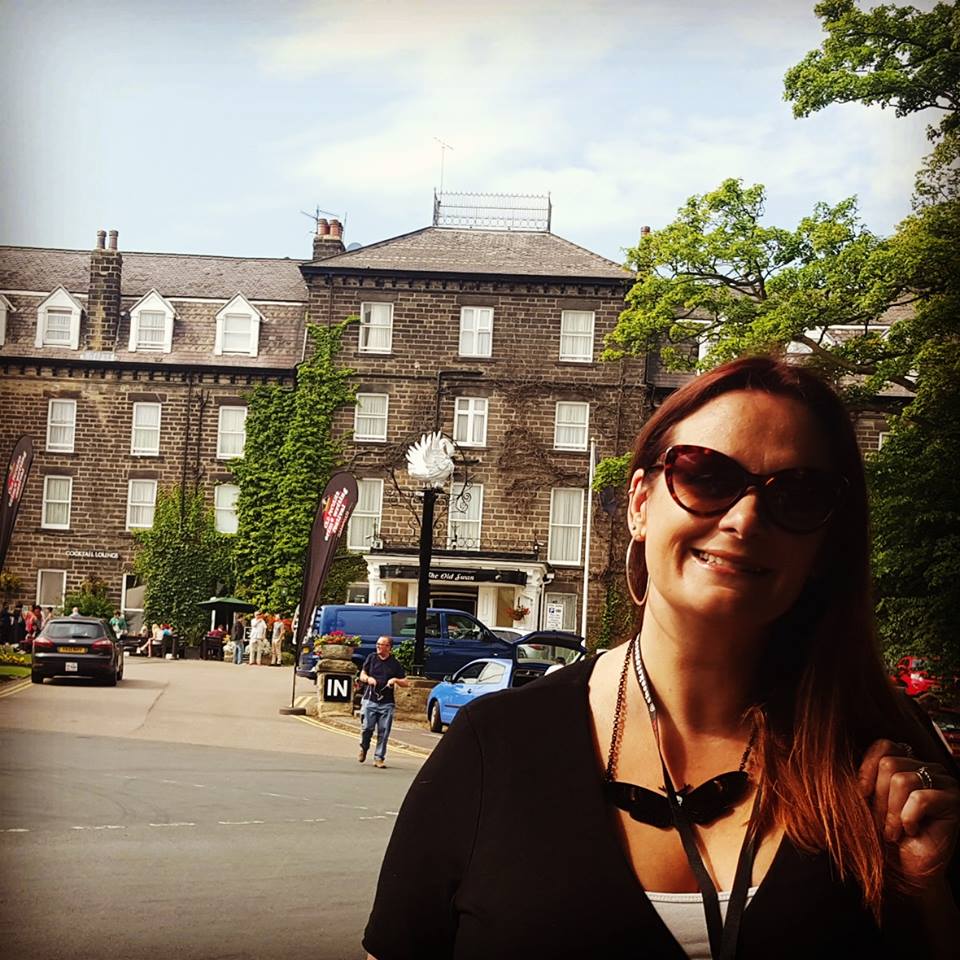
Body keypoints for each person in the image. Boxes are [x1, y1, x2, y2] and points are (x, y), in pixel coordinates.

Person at [362, 357, 960, 959]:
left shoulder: (889, 754)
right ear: (641, 503)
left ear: (826, 542)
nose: (745, 518)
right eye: (706, 476)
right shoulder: (496, 743)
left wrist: (929, 891)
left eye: (799, 495)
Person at [358, 636, 408, 769]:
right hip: (370, 700)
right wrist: (368, 679)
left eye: (382, 644)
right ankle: (364, 747)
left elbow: (405, 682)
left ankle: (379, 758)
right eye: (378, 644)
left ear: (389, 647)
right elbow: (362, 675)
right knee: (367, 728)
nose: (379, 647)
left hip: (387, 702)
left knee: (384, 731)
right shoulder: (372, 658)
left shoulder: (395, 663)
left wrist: (395, 680)